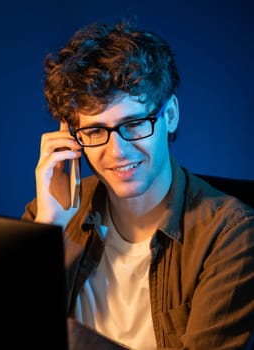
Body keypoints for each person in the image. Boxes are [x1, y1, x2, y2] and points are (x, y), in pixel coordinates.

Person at [22, 21, 254, 349]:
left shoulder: (231, 235)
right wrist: (48, 230)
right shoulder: (50, 215)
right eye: (95, 131)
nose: (117, 151)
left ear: (170, 114)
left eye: (134, 124)